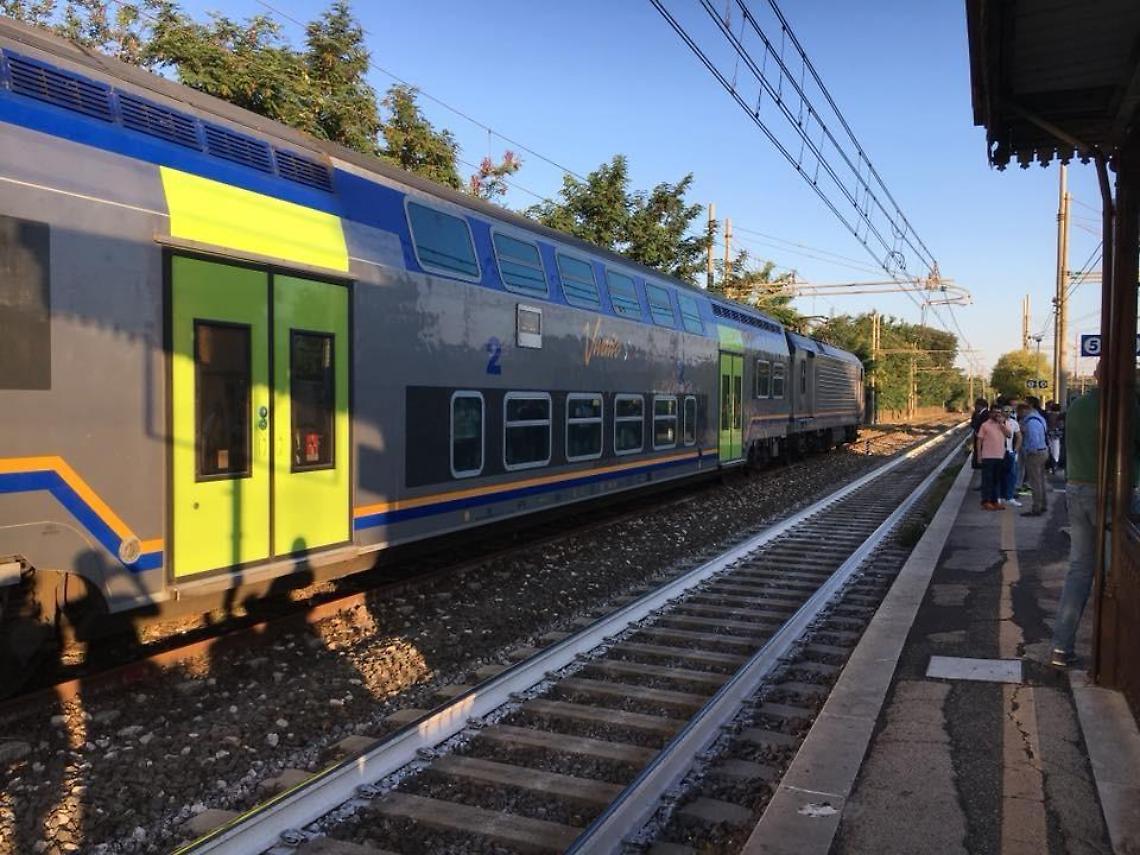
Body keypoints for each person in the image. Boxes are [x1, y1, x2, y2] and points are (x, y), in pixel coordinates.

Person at [1050, 365, 1140, 667]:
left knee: (1079, 570)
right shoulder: (1126, 407)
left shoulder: (1078, 406)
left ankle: (1061, 648)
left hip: (1075, 491)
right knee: (1118, 572)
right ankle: (1118, 656)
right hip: (1111, 494)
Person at [975, 407, 1011, 510]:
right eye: (994, 412)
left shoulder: (1004, 423)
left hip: (1000, 456)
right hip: (988, 456)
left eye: (999, 412)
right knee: (987, 480)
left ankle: (995, 501)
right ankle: (986, 501)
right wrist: (979, 455)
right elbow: (979, 440)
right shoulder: (985, 425)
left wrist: (1002, 425)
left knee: (996, 480)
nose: (997, 414)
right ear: (990, 414)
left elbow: (1009, 435)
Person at [1018, 400, 1049, 516]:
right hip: (1043, 451)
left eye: (1019, 413)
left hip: (1035, 454)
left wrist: (1028, 451)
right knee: (1040, 481)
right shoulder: (1040, 418)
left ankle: (1036, 508)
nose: (1019, 416)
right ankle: (1043, 504)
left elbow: (1034, 440)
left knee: (1035, 482)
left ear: (1024, 410)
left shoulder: (1031, 423)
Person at [1000, 404, 1023, 507]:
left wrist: (1015, 451)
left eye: (1010, 411)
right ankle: (999, 497)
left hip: (1009, 452)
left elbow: (1019, 437)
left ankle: (1009, 497)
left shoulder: (1014, 423)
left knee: (1011, 475)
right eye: (1005, 411)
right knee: (999, 475)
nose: (1007, 413)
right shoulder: (997, 423)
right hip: (998, 453)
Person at [970, 397, 990, 479]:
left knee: (984, 462)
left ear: (980, 405)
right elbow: (973, 424)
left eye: (975, 405)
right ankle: (983, 483)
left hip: (983, 442)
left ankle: (985, 484)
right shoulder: (977, 414)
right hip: (979, 439)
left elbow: (981, 427)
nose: (974, 407)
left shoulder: (986, 415)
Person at [1046, 401, 1064, 473]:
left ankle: (1050, 465)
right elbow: (1061, 425)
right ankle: (1055, 465)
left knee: (1050, 449)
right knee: (1056, 450)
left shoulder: (1048, 415)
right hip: (1057, 435)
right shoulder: (1060, 416)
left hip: (1049, 433)